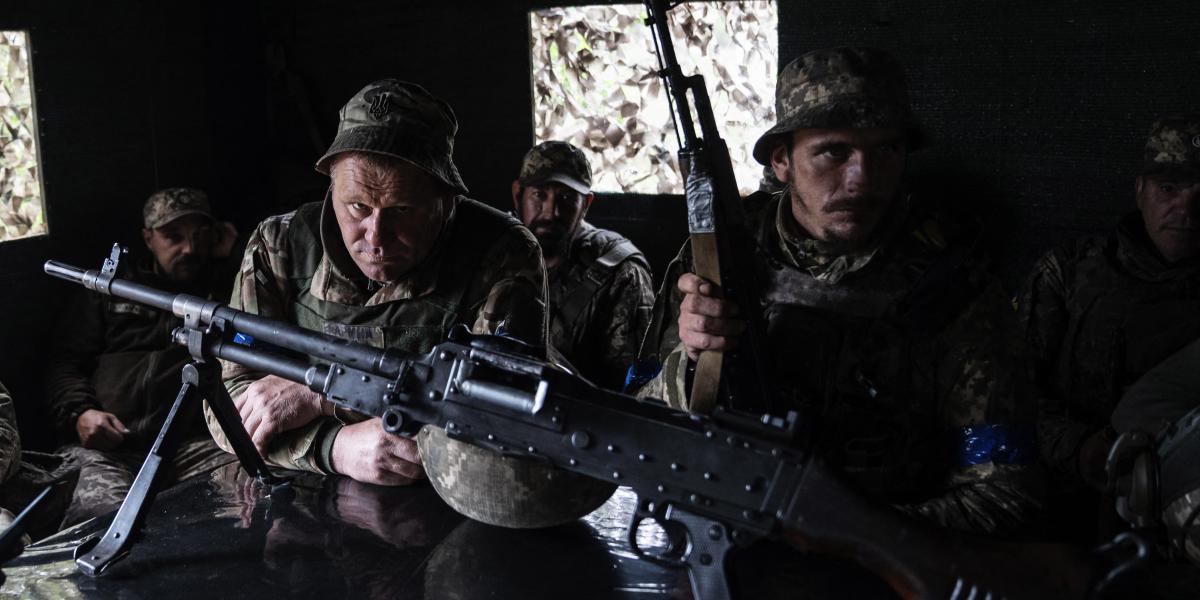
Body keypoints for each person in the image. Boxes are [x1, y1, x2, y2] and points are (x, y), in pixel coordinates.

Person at [637, 47, 1041, 536]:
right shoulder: (715, 257)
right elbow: (638, 423)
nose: (861, 180)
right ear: (782, 160)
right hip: (720, 531)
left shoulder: (953, 285)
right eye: (834, 151)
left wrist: (846, 537)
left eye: (885, 151)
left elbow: (1005, 489)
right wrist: (692, 364)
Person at [208, 79, 613, 527]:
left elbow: (495, 424)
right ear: (331, 188)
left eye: (402, 210)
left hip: (444, 510)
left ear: (447, 200)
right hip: (297, 508)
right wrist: (334, 448)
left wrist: (322, 395)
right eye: (357, 207)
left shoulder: (502, 253)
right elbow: (229, 404)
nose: (376, 237)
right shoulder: (280, 245)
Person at [1018, 114, 1200, 542]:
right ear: (1140, 190)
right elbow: (1002, 399)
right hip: (1064, 504)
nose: (1186, 210)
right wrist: (1080, 449)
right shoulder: (1068, 272)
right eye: (1168, 189)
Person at [44, 187, 237, 525]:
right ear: (148, 239)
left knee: (249, 505)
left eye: (201, 235)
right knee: (102, 522)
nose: (189, 249)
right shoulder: (110, 289)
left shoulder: (226, 288)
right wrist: (80, 413)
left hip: (196, 445)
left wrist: (234, 254)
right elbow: (65, 362)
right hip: (111, 452)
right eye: (173, 237)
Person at [510, 141, 654, 389]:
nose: (551, 212)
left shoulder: (620, 273)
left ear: (585, 204)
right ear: (517, 195)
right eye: (539, 195)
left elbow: (633, 390)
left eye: (566, 198)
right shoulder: (498, 253)